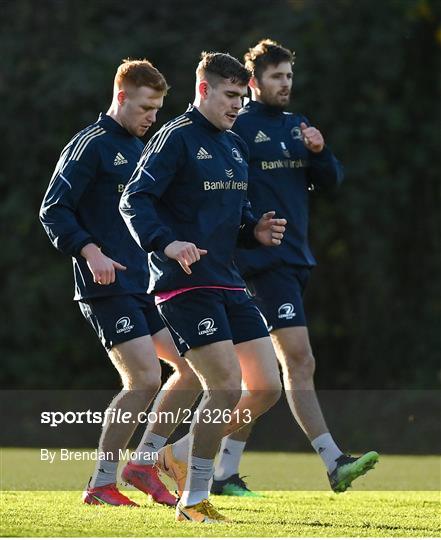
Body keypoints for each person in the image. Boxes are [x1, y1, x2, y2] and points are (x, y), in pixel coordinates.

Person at [120, 52, 286, 523]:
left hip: (228, 282)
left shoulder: (234, 145)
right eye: (231, 95)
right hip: (184, 285)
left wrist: (254, 228)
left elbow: (231, 215)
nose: (238, 105)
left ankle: (176, 454)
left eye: (243, 96)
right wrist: (167, 245)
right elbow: (135, 200)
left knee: (268, 386)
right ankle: (194, 500)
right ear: (204, 90)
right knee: (226, 386)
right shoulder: (175, 138)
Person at [211, 39, 378, 496]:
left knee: (259, 380)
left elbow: (332, 182)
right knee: (299, 361)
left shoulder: (297, 126)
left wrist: (321, 152)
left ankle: (219, 470)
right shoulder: (236, 127)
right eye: (276, 77)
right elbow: (223, 191)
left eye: (289, 76)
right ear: (253, 82)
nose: (285, 84)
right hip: (260, 265)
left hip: (296, 261)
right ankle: (333, 460)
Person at [39, 58, 201, 508]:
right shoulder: (89, 144)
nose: (153, 117)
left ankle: (143, 463)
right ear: (122, 96)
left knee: (191, 369)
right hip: (106, 286)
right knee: (145, 378)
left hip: (145, 285)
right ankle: (100, 483)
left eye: (158, 109)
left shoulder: (143, 150)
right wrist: (91, 252)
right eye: (146, 107)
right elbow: (53, 210)